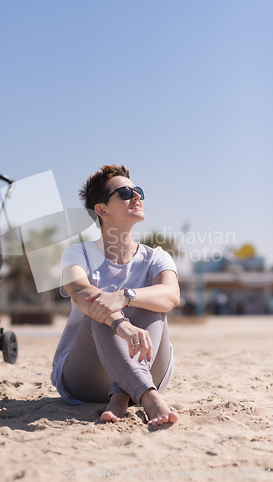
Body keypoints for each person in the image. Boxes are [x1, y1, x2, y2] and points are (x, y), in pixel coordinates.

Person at [51, 165, 180, 426]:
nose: (136, 197)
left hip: (150, 365)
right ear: (101, 210)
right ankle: (149, 397)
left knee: (152, 300)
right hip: (86, 376)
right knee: (95, 309)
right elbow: (80, 292)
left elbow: (171, 295)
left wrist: (125, 296)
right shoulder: (77, 254)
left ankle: (121, 396)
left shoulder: (156, 257)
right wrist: (120, 323)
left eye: (138, 191)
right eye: (124, 192)